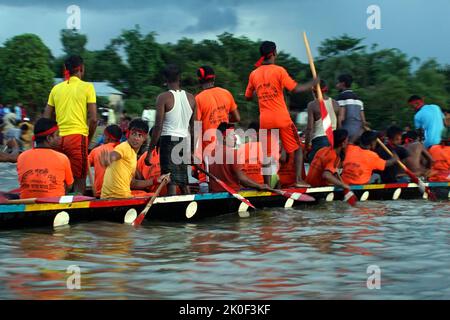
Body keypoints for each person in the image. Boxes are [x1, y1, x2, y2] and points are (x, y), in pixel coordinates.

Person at [245, 41, 318, 187]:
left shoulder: (254, 74)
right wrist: (312, 83)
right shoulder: (279, 70)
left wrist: (260, 92)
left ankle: (266, 184)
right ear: (274, 53)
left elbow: (247, 96)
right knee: (297, 149)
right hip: (281, 118)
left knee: (266, 154)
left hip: (265, 120)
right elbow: (295, 89)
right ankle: (298, 180)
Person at [44, 55, 98, 194]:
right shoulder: (88, 87)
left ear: (66, 69)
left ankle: (57, 207)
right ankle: (75, 208)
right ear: (81, 69)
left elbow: (46, 118)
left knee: (59, 180)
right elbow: (93, 119)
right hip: (77, 139)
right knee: (80, 180)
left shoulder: (56, 89)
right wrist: (88, 140)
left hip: (57, 139)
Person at [144, 64, 196, 196]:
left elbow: (158, 127)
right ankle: (190, 205)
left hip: (168, 141)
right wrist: (193, 151)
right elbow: (194, 127)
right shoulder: (191, 98)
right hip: (184, 141)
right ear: (180, 78)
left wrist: (150, 152)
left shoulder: (163, 97)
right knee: (184, 180)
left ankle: (174, 209)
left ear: (165, 79)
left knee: (170, 180)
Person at [100, 119, 165, 199]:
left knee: (148, 194)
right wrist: (109, 159)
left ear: (144, 138)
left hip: (117, 196)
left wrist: (156, 180)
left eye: (140, 135)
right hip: (117, 198)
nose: (136, 138)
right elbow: (114, 155)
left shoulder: (133, 155)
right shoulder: (124, 147)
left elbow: (133, 183)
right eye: (133, 134)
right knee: (154, 196)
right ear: (128, 134)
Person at [16, 118, 74, 199]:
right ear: (49, 138)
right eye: (57, 135)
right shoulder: (62, 158)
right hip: (53, 204)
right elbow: (69, 186)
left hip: (26, 202)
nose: (60, 137)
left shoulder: (21, 156)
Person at [207, 123, 272, 193]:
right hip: (231, 195)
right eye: (232, 135)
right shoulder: (232, 153)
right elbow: (242, 179)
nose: (235, 138)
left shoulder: (211, 153)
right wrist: (260, 186)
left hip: (215, 194)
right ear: (224, 138)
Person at [195, 65, 241, 150]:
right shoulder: (226, 93)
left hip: (209, 148)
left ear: (199, 80)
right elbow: (237, 118)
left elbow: (196, 127)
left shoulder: (198, 99)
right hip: (227, 143)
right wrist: (222, 120)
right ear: (214, 78)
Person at [305, 80, 339, 162]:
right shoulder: (336, 103)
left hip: (319, 141)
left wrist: (307, 146)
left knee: (315, 169)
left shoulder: (312, 105)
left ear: (314, 91)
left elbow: (310, 128)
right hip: (333, 140)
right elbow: (339, 124)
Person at [88, 125, 122, 197]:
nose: (102, 137)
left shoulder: (96, 150)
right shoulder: (124, 149)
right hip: (120, 192)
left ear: (108, 137)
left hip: (100, 193)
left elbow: (85, 167)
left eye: (103, 135)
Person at [336, 74, 367, 143]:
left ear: (343, 83)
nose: (336, 85)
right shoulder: (359, 100)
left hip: (346, 135)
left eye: (338, 83)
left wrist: (339, 136)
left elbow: (341, 118)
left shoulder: (341, 98)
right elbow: (363, 121)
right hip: (358, 135)